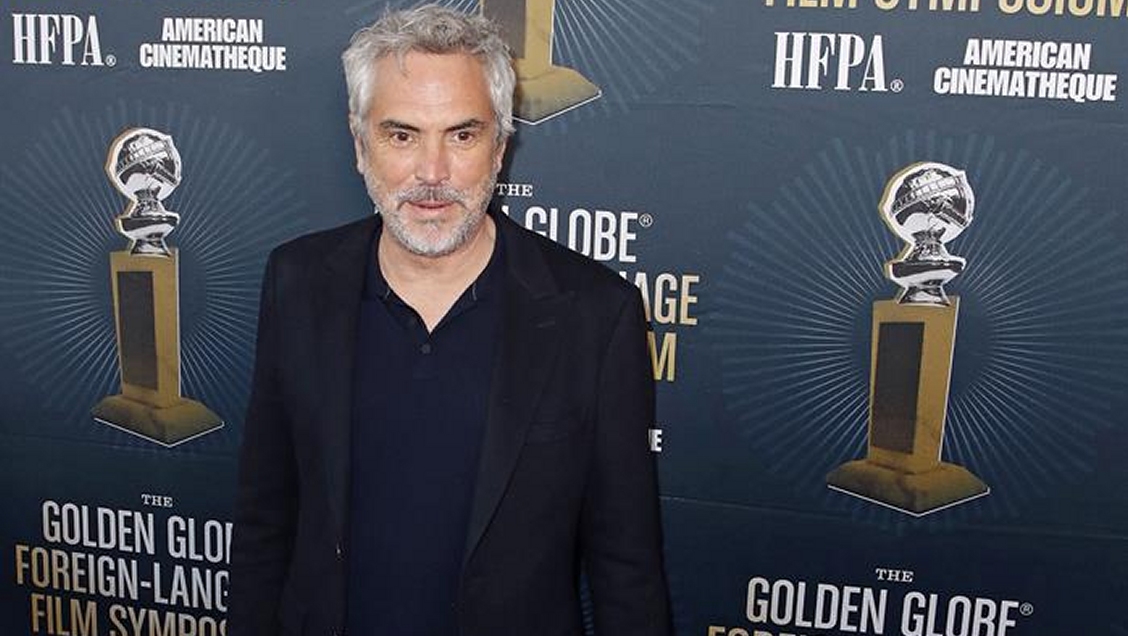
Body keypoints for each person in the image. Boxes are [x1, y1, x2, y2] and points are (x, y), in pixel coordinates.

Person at [229, 5, 670, 635]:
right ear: (360, 145)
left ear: (500, 146)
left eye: (462, 135)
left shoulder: (595, 314)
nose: (432, 174)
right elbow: (265, 522)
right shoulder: (296, 283)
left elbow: (627, 569)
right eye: (401, 135)